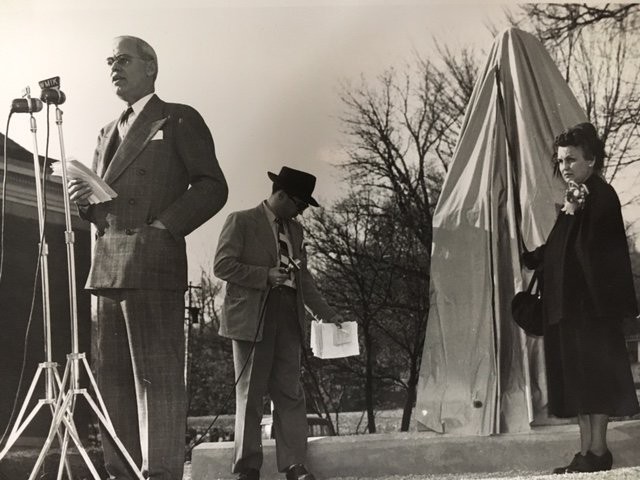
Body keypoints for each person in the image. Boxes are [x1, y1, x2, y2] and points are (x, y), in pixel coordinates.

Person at [68, 35, 228, 480]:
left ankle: (159, 473)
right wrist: (86, 199)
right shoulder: (105, 131)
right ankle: (121, 472)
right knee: (113, 381)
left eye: (122, 59)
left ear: (151, 66)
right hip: (106, 267)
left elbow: (213, 186)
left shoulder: (177, 118)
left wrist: (164, 227)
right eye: (109, 61)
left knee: (156, 379)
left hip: (152, 263)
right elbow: (107, 203)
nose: (113, 68)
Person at [523, 122, 639, 474]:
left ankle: (599, 450)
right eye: (560, 161)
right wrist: (535, 258)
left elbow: (594, 253)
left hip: (590, 309)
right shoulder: (578, 196)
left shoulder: (599, 196)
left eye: (571, 159)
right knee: (580, 381)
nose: (564, 167)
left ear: (591, 159)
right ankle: (587, 449)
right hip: (571, 308)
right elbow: (562, 246)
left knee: (594, 380)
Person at [214, 166, 342, 480]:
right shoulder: (241, 221)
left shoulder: (296, 232)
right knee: (250, 393)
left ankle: (295, 465)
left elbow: (304, 278)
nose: (300, 212)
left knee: (290, 392)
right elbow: (222, 264)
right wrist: (264, 276)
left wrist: (327, 313)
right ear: (281, 194)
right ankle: (247, 467)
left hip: (289, 316)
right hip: (252, 317)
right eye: (299, 204)